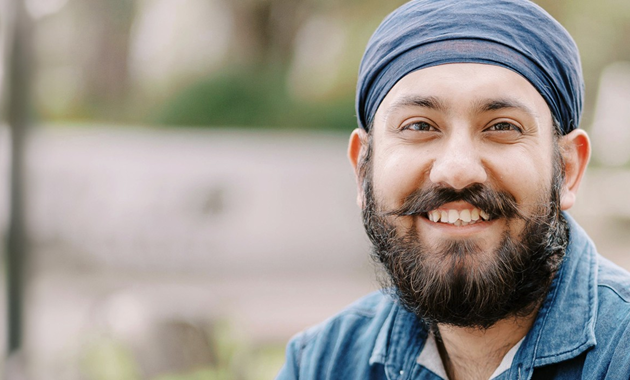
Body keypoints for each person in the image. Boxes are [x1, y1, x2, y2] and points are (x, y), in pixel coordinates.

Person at [277, 0, 630, 379]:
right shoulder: (322, 362)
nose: (457, 171)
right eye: (418, 126)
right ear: (363, 169)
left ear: (569, 170)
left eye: (503, 126)